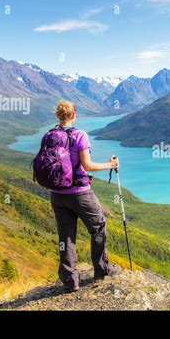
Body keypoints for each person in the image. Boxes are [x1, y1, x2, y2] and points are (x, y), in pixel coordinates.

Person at [49, 100, 121, 292]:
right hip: (79, 193)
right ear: (74, 115)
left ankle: (69, 280)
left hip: (57, 194)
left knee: (66, 236)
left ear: (58, 115)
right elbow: (87, 166)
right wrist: (110, 165)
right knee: (98, 226)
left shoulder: (49, 136)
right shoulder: (80, 135)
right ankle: (102, 269)